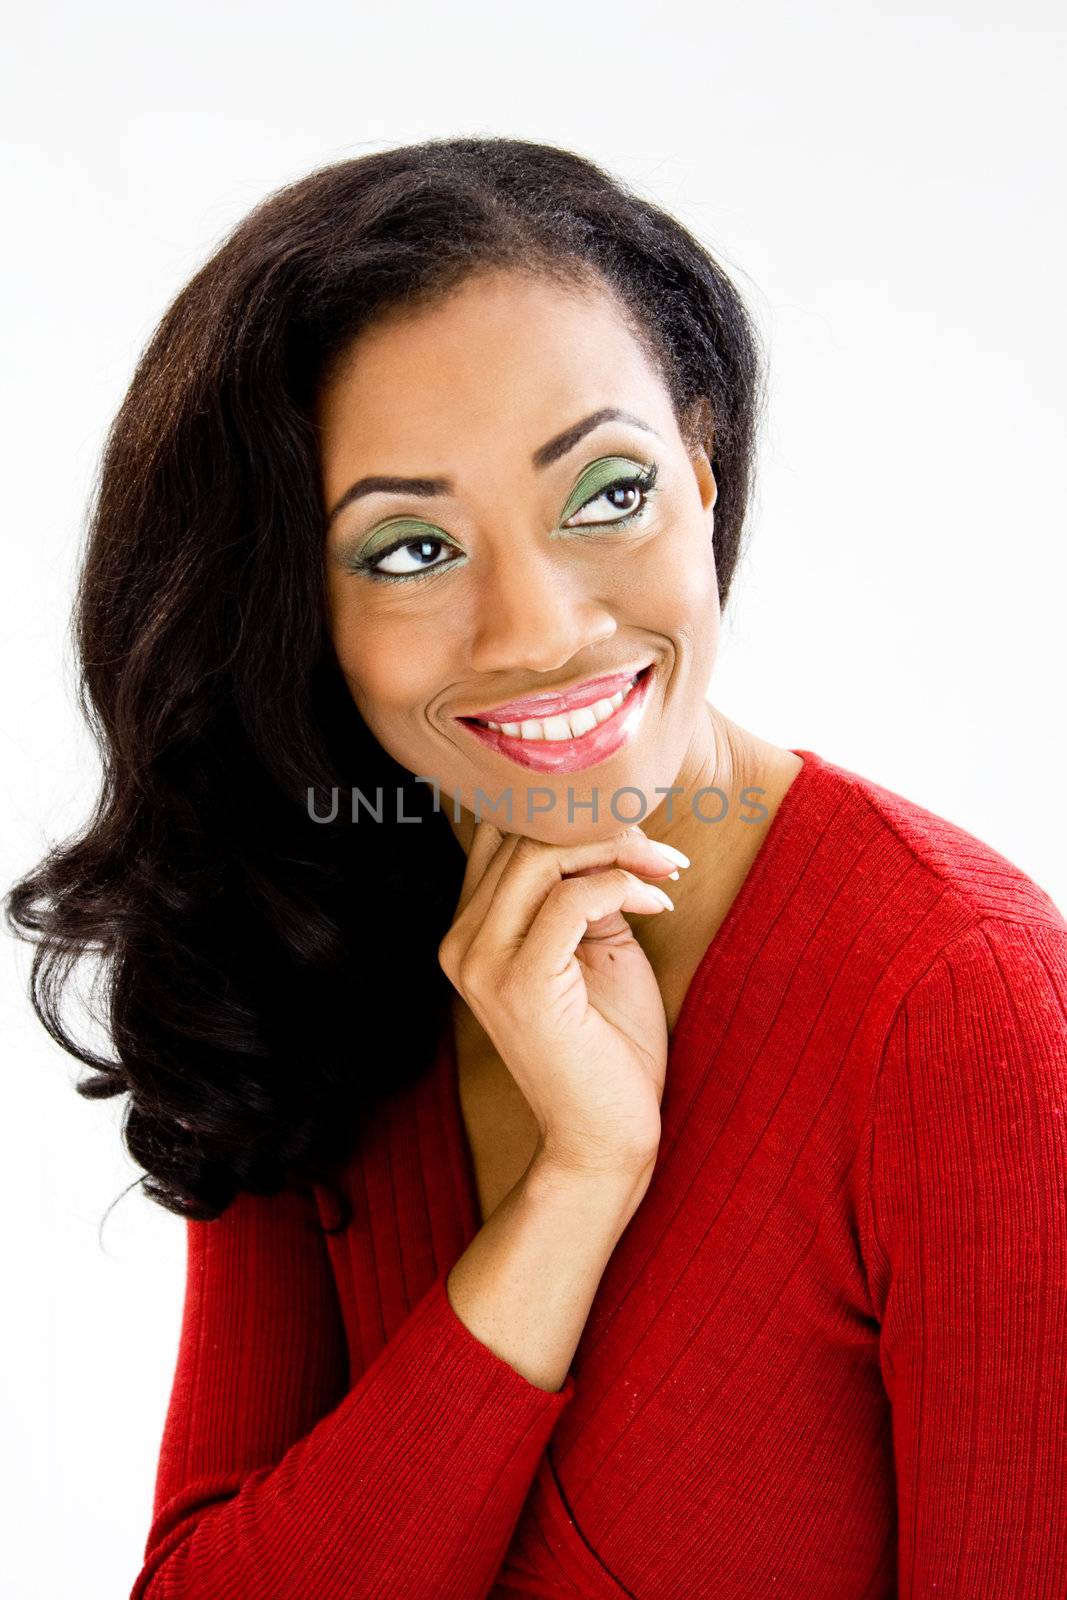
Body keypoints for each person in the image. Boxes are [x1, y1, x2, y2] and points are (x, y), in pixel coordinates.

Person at [7, 135, 1067, 1599]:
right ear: (296, 610)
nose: (537, 627)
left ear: (702, 471)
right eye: (407, 549)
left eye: (609, 491)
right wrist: (574, 1190)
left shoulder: (957, 998)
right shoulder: (299, 942)